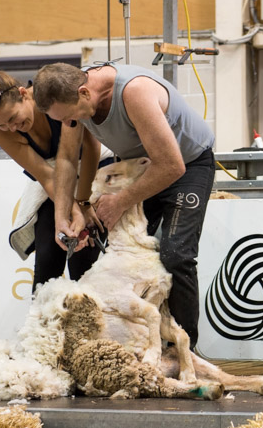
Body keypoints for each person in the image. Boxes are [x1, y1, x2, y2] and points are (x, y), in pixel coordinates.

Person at [32, 61, 215, 349]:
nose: (70, 124)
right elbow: (67, 159)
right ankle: (141, 344)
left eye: (70, 118)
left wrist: (120, 202)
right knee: (128, 257)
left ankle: (187, 352)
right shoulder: (75, 101)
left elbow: (171, 165)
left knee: (175, 254)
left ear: (83, 93)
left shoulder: (135, 92)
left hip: (186, 166)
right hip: (139, 168)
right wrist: (62, 216)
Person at [0, 59, 104, 292]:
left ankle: (91, 324)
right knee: (49, 253)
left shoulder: (53, 99)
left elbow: (90, 149)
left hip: (92, 173)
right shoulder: (2, 132)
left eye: (12, 118)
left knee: (83, 253)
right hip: (55, 184)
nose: (11, 128)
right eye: (1, 125)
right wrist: (67, 213)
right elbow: (47, 177)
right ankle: (39, 326)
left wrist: (83, 203)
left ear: (24, 94)